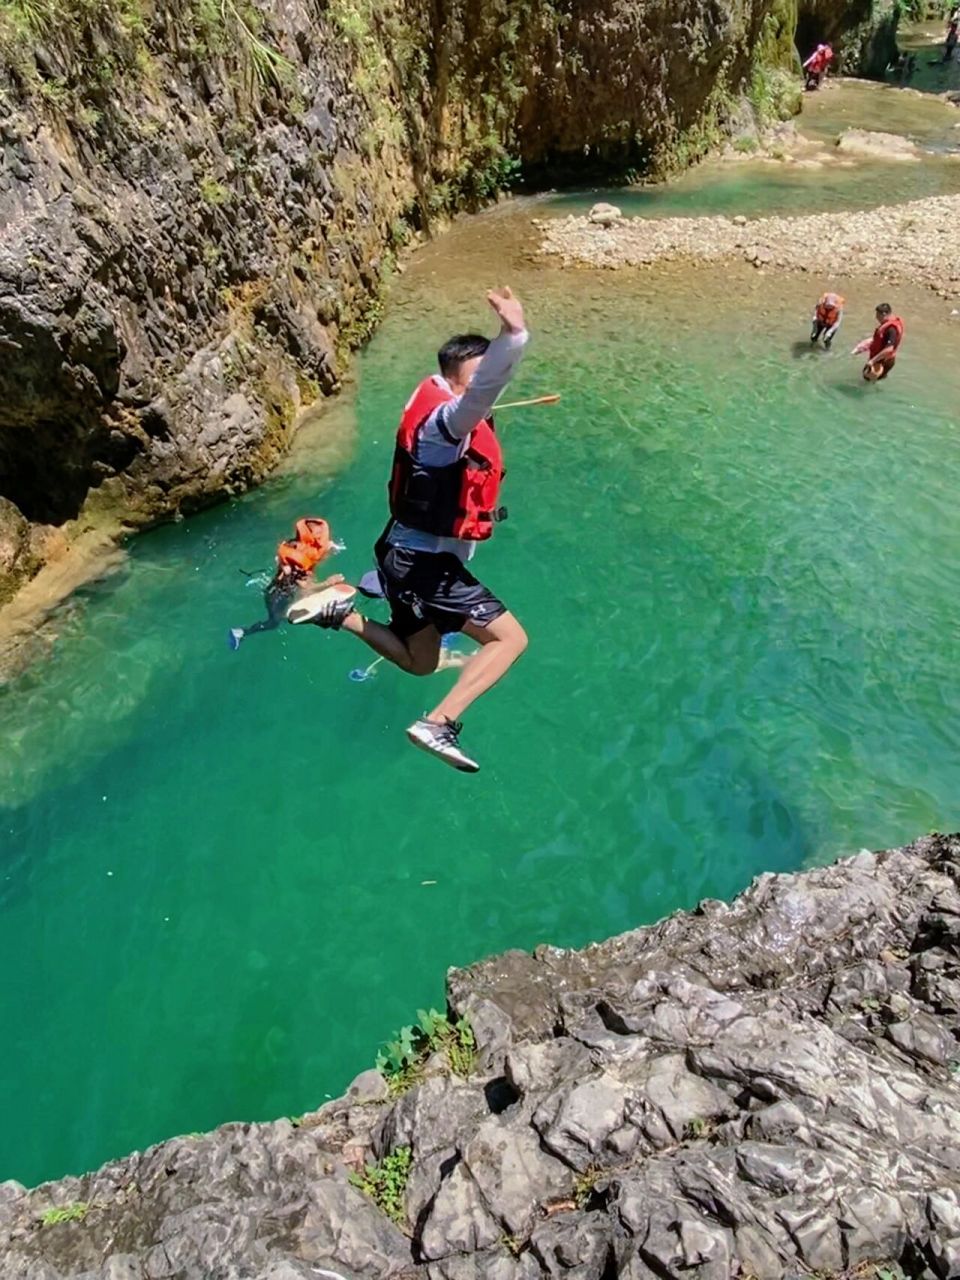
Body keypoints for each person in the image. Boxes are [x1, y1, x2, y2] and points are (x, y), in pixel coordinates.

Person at [294, 286, 530, 773]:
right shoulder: (443, 427)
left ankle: (341, 613)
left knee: (420, 662)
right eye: (479, 382)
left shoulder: (444, 410)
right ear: (453, 384)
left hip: (400, 556)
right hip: (424, 566)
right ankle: (439, 723)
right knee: (509, 640)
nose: (488, 392)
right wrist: (515, 335)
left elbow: (485, 391)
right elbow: (483, 392)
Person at [228, 517, 343, 649]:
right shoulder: (300, 566)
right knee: (274, 622)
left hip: (274, 589)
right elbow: (306, 588)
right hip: (278, 596)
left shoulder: (291, 546)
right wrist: (328, 583)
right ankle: (242, 632)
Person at [852, 303, 904, 382]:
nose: (876, 317)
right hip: (883, 360)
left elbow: (889, 349)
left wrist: (872, 361)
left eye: (877, 315)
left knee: (867, 380)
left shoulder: (891, 329)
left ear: (884, 314)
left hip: (882, 361)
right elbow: (879, 340)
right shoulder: (888, 325)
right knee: (870, 380)